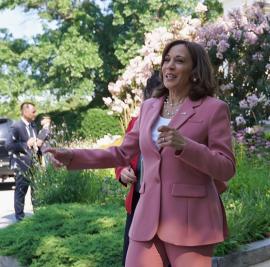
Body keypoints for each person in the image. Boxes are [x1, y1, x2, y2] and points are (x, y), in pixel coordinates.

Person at [47, 40, 236, 266]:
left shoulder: (213, 108)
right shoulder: (149, 107)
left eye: (179, 61)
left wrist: (185, 146)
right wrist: (73, 157)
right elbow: (122, 153)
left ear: (195, 71)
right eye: (167, 60)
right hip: (146, 217)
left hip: (190, 221)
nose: (170, 66)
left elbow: (226, 167)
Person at [115, 71, 161, 266]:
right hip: (137, 201)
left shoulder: (183, 121)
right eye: (156, 97)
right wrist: (122, 172)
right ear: (147, 95)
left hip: (168, 204)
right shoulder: (136, 121)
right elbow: (121, 156)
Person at [7, 102, 43, 221]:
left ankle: (38, 216)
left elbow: (34, 143)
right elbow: (9, 145)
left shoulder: (33, 126)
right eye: (33, 111)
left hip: (34, 163)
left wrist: (38, 144)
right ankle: (20, 219)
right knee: (21, 191)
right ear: (25, 112)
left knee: (37, 190)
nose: (35, 114)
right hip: (21, 164)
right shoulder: (16, 126)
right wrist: (25, 144)